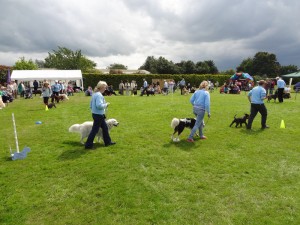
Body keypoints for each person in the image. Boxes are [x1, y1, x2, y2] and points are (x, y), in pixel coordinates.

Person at [85, 81, 116, 149]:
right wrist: (106, 104)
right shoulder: (99, 95)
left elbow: (90, 105)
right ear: (101, 87)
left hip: (96, 114)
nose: (106, 88)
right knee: (94, 130)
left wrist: (94, 111)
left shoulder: (95, 94)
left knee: (105, 128)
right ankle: (88, 145)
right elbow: (99, 106)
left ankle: (108, 142)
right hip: (98, 115)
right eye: (105, 87)